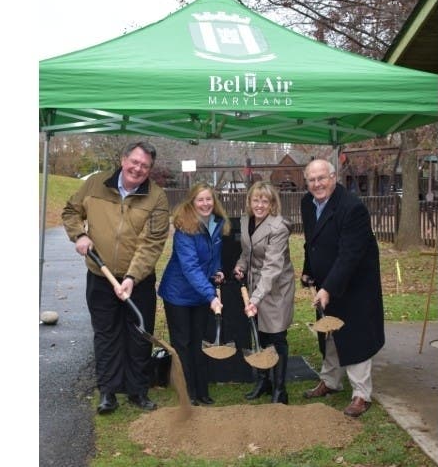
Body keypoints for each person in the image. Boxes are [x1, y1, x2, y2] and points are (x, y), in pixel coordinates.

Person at [62, 141, 170, 414]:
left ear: (150, 170)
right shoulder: (96, 184)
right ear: (123, 160)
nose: (138, 168)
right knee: (106, 334)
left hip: (139, 281)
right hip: (100, 276)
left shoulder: (156, 197)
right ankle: (108, 392)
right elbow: (70, 211)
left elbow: (153, 242)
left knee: (139, 335)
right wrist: (80, 234)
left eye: (145, 166)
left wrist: (133, 277)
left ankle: (137, 391)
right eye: (134, 162)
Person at [300, 159, 385, 417]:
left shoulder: (352, 208)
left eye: (322, 178)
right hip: (327, 280)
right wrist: (309, 270)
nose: (317, 184)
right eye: (312, 180)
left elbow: (350, 255)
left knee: (354, 337)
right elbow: (311, 242)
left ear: (333, 177)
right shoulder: (307, 203)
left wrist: (328, 289)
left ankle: (361, 394)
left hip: (355, 284)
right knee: (329, 333)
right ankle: (331, 381)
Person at [158, 183, 230, 406]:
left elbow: (214, 256)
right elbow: (190, 267)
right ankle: (187, 392)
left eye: (209, 199)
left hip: (201, 293)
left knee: (198, 341)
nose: (205, 204)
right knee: (183, 343)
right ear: (192, 202)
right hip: (178, 294)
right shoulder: (184, 228)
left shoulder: (217, 224)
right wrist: (212, 296)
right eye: (200, 200)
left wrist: (217, 271)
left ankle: (202, 390)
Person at [232, 181, 295, 404]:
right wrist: (241, 266)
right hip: (254, 284)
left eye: (264, 201)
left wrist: (256, 298)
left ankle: (280, 390)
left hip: (276, 288)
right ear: (249, 201)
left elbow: (272, 268)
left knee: (276, 336)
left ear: (272, 204)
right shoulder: (245, 221)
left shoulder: (278, 227)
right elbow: (247, 253)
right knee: (258, 333)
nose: (259, 205)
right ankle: (263, 381)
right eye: (255, 200)